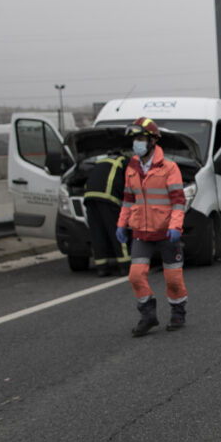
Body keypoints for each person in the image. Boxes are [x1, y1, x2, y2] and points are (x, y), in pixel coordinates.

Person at [115, 117, 188, 337]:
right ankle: (148, 314)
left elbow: (178, 201)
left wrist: (175, 227)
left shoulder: (169, 168)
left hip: (166, 231)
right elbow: (128, 200)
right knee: (135, 275)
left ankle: (178, 311)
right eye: (134, 139)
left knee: (173, 279)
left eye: (140, 138)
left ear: (152, 140)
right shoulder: (131, 169)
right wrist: (121, 224)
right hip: (141, 232)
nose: (136, 143)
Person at [83, 150, 130, 276]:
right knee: (116, 231)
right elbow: (132, 181)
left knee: (97, 233)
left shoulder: (100, 162)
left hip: (89, 197)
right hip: (108, 198)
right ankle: (125, 265)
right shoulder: (124, 161)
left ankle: (101, 267)